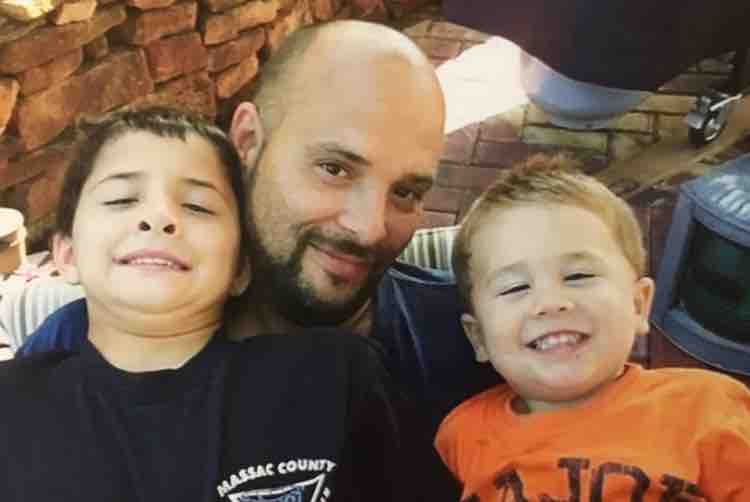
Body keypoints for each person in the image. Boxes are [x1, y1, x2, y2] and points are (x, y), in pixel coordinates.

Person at [18, 20, 500, 431]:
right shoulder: (84, 346)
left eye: (406, 193)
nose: (370, 228)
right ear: (248, 140)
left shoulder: (481, 339)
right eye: (334, 168)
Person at [0, 107, 435, 501]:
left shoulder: (333, 378)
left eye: (198, 206)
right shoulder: (14, 403)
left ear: (241, 267)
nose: (159, 217)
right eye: (121, 200)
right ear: (66, 254)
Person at [435, 155, 750, 501]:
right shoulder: (461, 434)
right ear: (478, 337)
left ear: (637, 305)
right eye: (515, 287)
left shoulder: (705, 408)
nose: (551, 302)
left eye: (578, 276)